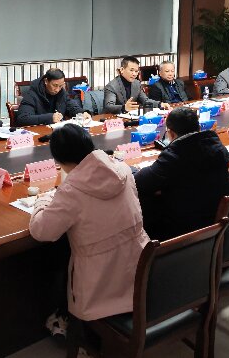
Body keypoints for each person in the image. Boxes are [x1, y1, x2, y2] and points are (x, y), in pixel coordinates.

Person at [29, 124, 149, 321]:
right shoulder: (123, 169)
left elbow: (41, 231)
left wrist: (42, 200)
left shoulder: (72, 190)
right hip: (138, 277)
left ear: (59, 160)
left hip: (99, 289)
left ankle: (66, 322)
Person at [134, 107, 229, 241]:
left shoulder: (175, 156)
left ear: (171, 133)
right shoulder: (219, 148)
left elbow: (140, 183)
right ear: (198, 128)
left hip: (182, 230)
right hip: (213, 224)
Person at [15, 68, 88, 126]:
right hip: (39, 133)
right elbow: (23, 119)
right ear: (46, 81)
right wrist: (49, 118)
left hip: (58, 132)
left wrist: (82, 113)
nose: (57, 90)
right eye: (55, 85)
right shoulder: (32, 95)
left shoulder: (62, 93)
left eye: (60, 86)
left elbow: (71, 107)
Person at [103, 56, 170, 114]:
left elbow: (145, 100)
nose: (134, 74)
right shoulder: (112, 86)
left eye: (136, 71)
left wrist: (160, 104)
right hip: (115, 118)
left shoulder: (137, 83)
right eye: (131, 70)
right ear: (122, 70)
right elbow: (108, 107)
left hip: (131, 116)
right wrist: (124, 108)